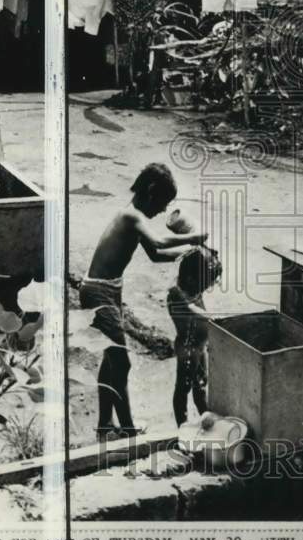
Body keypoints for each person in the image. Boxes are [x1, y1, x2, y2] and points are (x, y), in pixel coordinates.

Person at [79, 163, 207, 439]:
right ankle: (127, 429)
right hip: (98, 291)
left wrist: (189, 253)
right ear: (150, 192)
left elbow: (156, 254)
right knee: (121, 364)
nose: (162, 211)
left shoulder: (135, 219)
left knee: (110, 362)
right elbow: (160, 242)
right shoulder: (131, 216)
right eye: (162, 203)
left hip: (108, 289)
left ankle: (105, 424)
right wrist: (193, 237)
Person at [167, 246, 223, 427]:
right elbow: (193, 309)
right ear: (191, 279)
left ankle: (205, 419)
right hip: (188, 348)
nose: (206, 288)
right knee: (183, 388)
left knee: (200, 384)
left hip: (200, 346)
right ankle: (182, 425)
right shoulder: (177, 294)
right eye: (204, 284)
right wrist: (213, 318)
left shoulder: (192, 287)